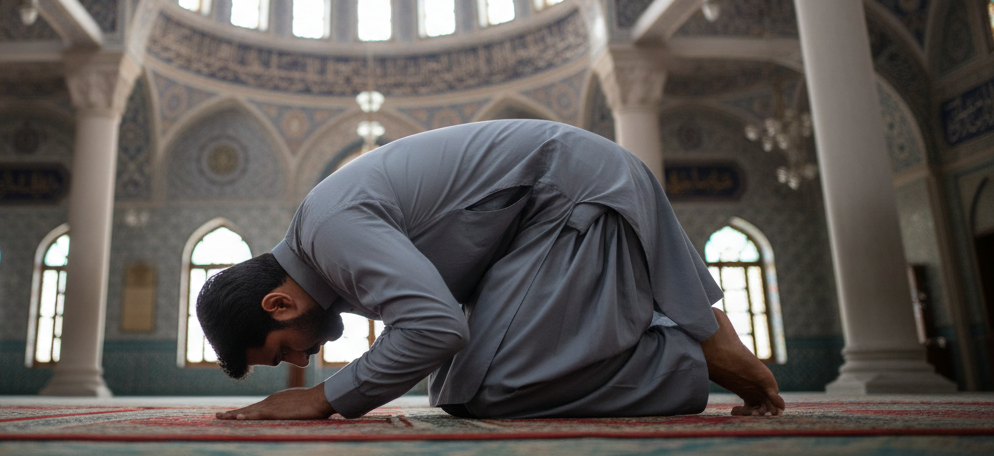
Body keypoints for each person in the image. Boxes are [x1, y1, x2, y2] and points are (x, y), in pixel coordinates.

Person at [196, 119, 784, 421]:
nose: (300, 362)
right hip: (537, 227)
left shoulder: (330, 231)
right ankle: (677, 330)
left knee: (494, 388)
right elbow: (439, 324)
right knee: (455, 390)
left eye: (282, 351)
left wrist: (322, 399)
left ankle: (684, 352)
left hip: (573, 198)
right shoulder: (326, 245)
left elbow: (435, 328)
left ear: (279, 304)